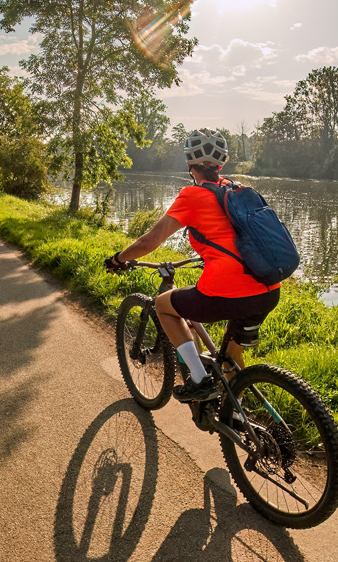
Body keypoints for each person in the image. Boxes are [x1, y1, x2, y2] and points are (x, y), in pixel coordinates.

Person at [105, 128, 281, 402]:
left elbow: (149, 241)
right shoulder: (237, 192)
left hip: (227, 291)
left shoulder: (192, 195)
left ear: (189, 164)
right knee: (231, 358)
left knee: (164, 306)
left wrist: (118, 259)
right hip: (268, 289)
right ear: (221, 164)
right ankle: (236, 414)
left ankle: (199, 381)